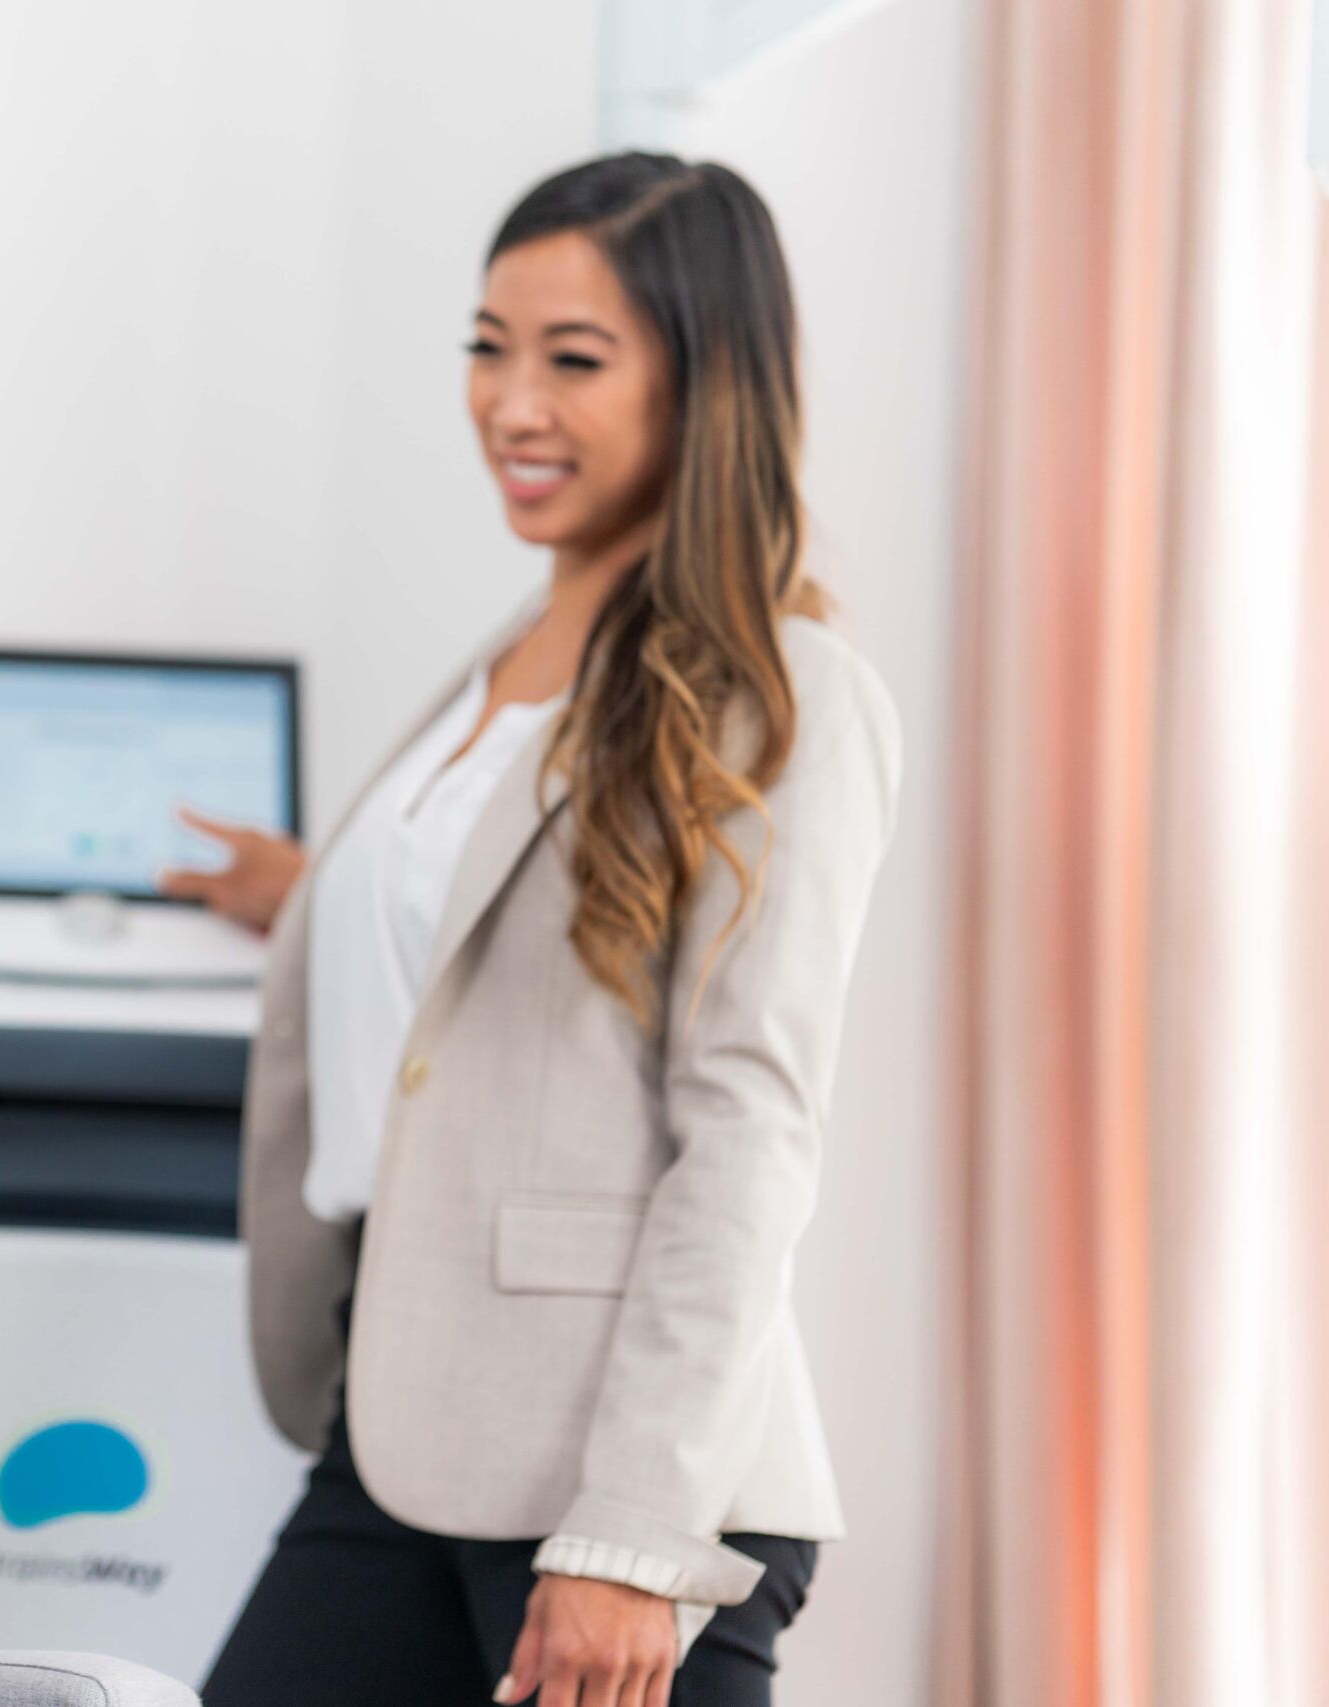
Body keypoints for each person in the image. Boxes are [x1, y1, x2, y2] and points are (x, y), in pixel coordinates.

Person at [177, 154, 903, 1707]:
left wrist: (634, 1534)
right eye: (487, 345)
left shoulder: (784, 690)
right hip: (403, 1420)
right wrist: (306, 893)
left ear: (705, 378)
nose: (512, 402)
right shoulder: (511, 655)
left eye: (573, 359)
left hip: (619, 1476)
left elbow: (749, 1126)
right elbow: (502, 938)